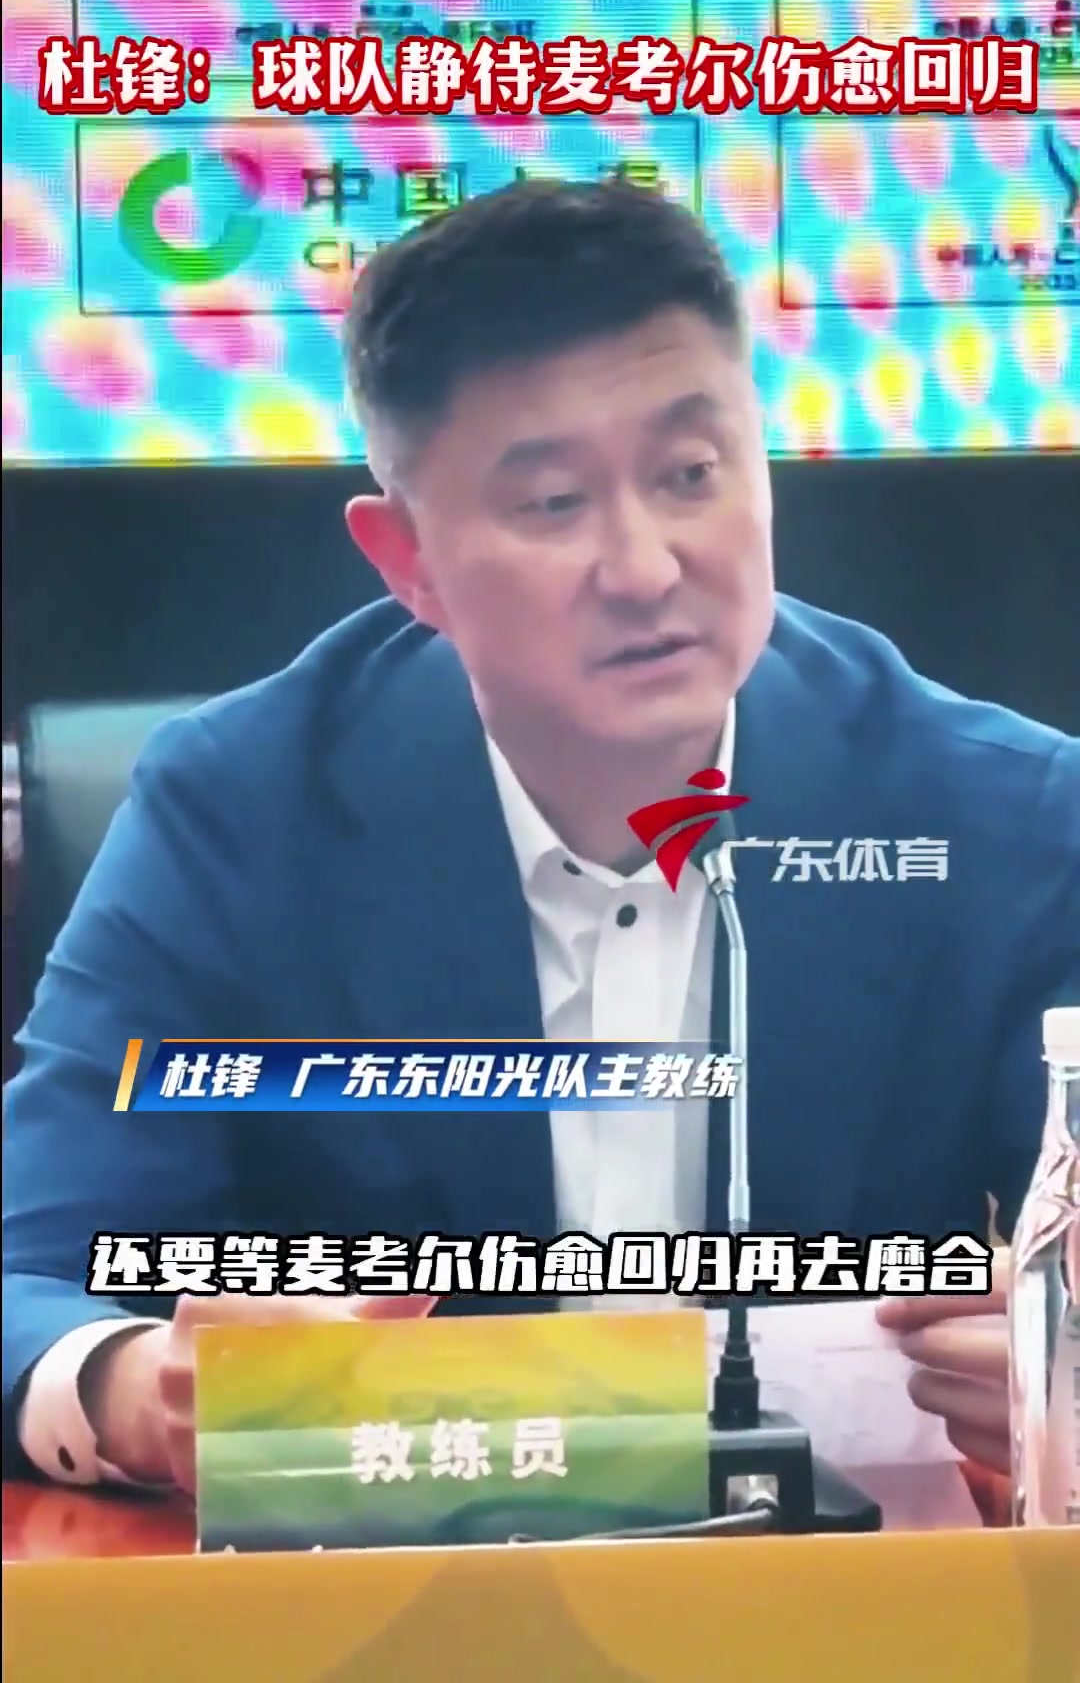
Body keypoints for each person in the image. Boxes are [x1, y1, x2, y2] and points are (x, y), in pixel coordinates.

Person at [3, 179, 1078, 1500]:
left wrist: (1059, 1352)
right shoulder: (237, 815)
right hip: (395, 1578)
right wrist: (131, 1388)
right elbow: (26, 1269)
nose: (645, 567)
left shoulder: (1001, 817)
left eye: (691, 476)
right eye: (555, 503)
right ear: (407, 560)